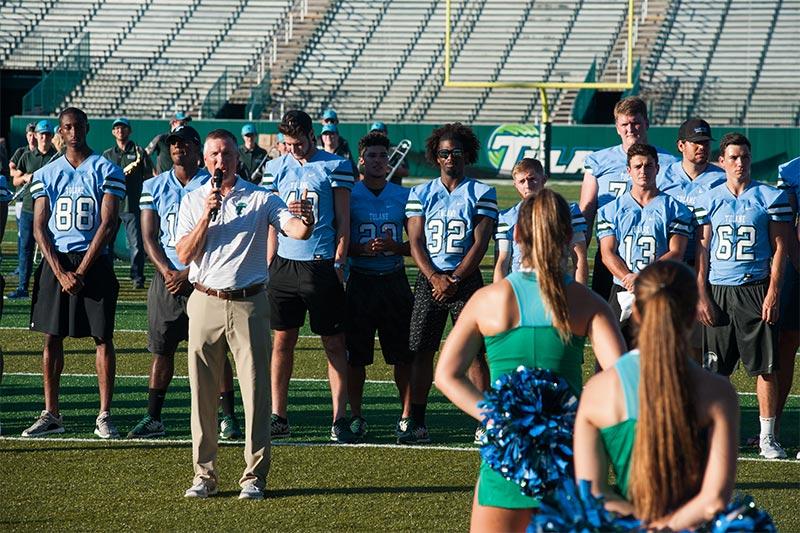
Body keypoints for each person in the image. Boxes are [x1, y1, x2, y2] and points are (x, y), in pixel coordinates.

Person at [435, 190, 624, 532]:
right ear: (569, 237)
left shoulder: (488, 300)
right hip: (568, 457)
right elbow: (623, 381)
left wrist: (500, 417)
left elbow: (447, 375)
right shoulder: (589, 303)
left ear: (517, 235)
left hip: (508, 457)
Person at [175, 128, 314, 499]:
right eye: (214, 155)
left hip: (249, 302)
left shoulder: (261, 198)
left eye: (227, 154)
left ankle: (254, 476)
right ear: (205, 161)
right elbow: (184, 255)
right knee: (201, 394)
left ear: (238, 158)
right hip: (204, 300)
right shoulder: (192, 200)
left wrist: (308, 221)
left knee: (255, 393)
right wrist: (207, 215)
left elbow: (295, 230)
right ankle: (204, 475)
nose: (221, 161)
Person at [574, 261, 738, 530]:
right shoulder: (719, 393)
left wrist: (643, 525)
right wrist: (666, 526)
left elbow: (592, 493)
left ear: (635, 311)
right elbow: (714, 500)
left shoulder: (597, 391)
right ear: (691, 314)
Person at [127, 125, 240, 440]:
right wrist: (166, 271)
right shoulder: (154, 185)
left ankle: (228, 417)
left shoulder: (215, 183)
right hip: (167, 278)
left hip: (204, 276)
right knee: (162, 349)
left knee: (215, 350)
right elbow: (149, 237)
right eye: (172, 143)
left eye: (183, 143)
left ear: (196, 148)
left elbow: (222, 236)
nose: (177, 148)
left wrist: (188, 274)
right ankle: (153, 417)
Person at [21, 108, 126, 439]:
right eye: (67, 127)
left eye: (78, 126)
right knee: (51, 337)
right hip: (57, 261)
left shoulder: (107, 169)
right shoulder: (47, 172)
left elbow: (108, 223)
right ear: (60, 132)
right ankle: (51, 413)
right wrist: (61, 271)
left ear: (87, 128)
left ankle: (104, 414)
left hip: (92, 261)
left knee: (102, 337)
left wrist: (80, 270)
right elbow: (39, 227)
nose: (73, 131)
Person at [261, 110, 358, 443]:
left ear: (311, 135)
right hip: (284, 265)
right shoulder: (276, 168)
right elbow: (272, 221)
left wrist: (339, 261)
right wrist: (269, 263)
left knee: (333, 343)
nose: (294, 149)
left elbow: (344, 220)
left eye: (298, 142)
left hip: (320, 263)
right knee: (281, 342)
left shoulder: (334, 166)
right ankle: (278, 415)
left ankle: (339, 418)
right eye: (288, 143)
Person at [695, 132, 793, 460]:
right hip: (718, 288)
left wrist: (773, 292)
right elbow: (702, 251)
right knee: (714, 369)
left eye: (745, 157)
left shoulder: (769, 196)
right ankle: (713, 435)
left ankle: (768, 437)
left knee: (765, 367)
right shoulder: (707, 198)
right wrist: (701, 294)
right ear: (721, 162)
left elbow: (780, 248)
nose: (740, 163)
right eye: (734, 157)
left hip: (755, 287)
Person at [404, 123, 497, 444]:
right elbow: (415, 241)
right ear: (435, 156)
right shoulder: (420, 192)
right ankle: (416, 420)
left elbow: (480, 244)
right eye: (444, 153)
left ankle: (485, 420)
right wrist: (435, 277)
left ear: (466, 155)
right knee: (420, 350)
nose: (450, 158)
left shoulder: (482, 192)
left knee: (475, 353)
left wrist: (455, 278)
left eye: (456, 152)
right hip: (430, 280)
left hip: (465, 280)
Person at [346, 132, 413, 441]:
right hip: (360, 281)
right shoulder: (349, 194)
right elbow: (339, 242)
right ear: (361, 160)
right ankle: (356, 414)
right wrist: (360, 249)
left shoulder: (403, 196)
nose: (376, 161)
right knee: (355, 356)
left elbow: (418, 246)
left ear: (390, 161)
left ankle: (407, 415)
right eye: (371, 156)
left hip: (394, 281)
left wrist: (394, 247)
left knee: (403, 355)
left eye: (382, 156)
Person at [579, 97, 679, 300]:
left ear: (647, 124)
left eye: (636, 123)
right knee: (607, 318)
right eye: (624, 124)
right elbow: (587, 210)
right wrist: (581, 254)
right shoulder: (599, 161)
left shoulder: (668, 162)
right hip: (611, 251)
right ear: (617, 127)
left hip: (653, 252)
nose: (630, 129)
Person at [597, 143, 693, 348]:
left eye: (648, 166)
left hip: (660, 288)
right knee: (613, 353)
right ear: (628, 170)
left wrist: (643, 277)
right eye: (638, 166)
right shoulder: (610, 210)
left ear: (657, 169)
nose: (643, 171)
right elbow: (607, 253)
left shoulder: (676, 209)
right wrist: (628, 278)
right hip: (622, 289)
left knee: (660, 352)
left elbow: (677, 251)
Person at [493, 158, 588, 284]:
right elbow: (502, 262)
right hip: (521, 286)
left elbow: (579, 258)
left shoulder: (568, 211)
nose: (527, 185)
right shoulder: (507, 217)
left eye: (532, 179)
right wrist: (501, 298)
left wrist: (580, 293)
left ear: (543, 179)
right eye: (522, 181)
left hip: (557, 284)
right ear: (515, 185)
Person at [7, 120, 58, 299]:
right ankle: (23, 288)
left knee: (49, 250)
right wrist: (25, 177)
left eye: (47, 134)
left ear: (52, 136)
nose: (44, 138)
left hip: (49, 210)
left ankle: (49, 288)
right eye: (41, 134)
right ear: (36, 136)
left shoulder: (58, 157)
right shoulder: (27, 156)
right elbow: (15, 180)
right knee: (26, 249)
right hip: (29, 208)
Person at [102, 117, 153, 289]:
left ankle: (137, 277)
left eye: (123, 128)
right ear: (112, 132)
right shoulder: (108, 154)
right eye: (116, 128)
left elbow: (148, 176)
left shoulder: (139, 152)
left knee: (136, 244)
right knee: (106, 242)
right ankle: (106, 274)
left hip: (132, 205)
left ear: (129, 131)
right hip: (112, 204)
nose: (120, 131)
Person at [775, 156, 799, 459]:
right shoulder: (791, 169)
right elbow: (786, 223)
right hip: (798, 264)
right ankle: (774, 426)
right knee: (786, 341)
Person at [369, 121, 409, 185]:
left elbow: (405, 172)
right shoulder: (367, 150)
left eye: (380, 132)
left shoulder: (396, 150)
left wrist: (390, 169)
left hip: (393, 189)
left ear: (386, 133)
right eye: (374, 132)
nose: (376, 134)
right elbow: (361, 171)